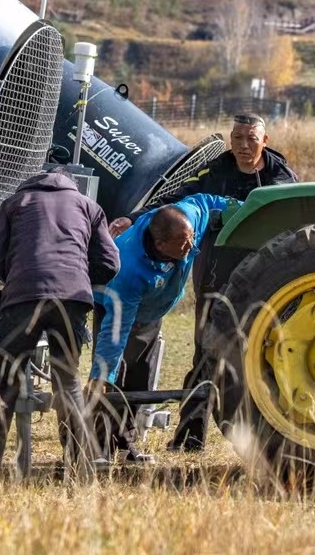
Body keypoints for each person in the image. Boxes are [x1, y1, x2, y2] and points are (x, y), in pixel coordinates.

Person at [118, 113, 299, 451]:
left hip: (266, 285)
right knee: (205, 355)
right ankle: (190, 436)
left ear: (265, 140)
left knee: (264, 358)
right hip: (215, 278)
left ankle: (265, 440)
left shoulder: (281, 180)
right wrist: (134, 218)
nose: (243, 146)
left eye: (251, 138)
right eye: (237, 138)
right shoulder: (215, 173)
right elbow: (176, 204)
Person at [0, 167, 120, 478]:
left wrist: (18, 280)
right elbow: (111, 262)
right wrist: (79, 278)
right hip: (72, 299)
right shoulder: (88, 206)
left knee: (5, 383)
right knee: (67, 383)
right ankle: (80, 469)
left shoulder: (16, 203)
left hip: (22, 297)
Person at [92, 194, 230, 463]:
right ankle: (99, 448)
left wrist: (249, 206)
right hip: (117, 307)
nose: (191, 246)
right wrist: (101, 374)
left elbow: (206, 200)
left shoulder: (188, 221)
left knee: (140, 376)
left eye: (191, 238)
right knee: (113, 378)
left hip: (152, 309)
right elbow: (115, 334)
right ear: (159, 244)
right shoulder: (128, 269)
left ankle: (126, 446)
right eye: (182, 244)